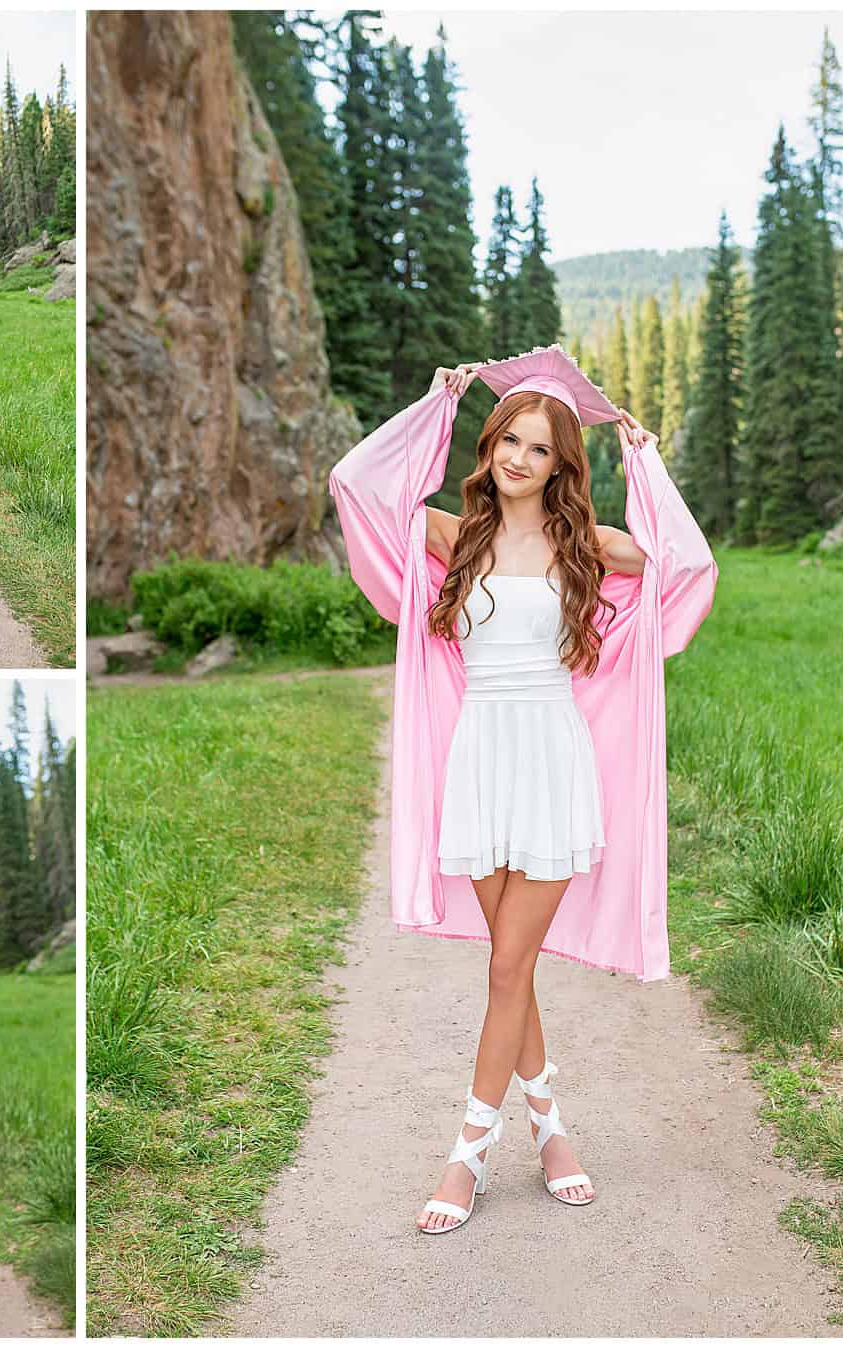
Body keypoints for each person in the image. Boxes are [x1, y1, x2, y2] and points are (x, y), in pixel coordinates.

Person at [328, 346, 717, 1235]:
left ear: (560, 465)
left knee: (507, 963)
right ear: (490, 442)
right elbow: (354, 483)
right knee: (514, 963)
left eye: (539, 449)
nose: (517, 458)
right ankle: (550, 1129)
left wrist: (644, 458)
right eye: (508, 439)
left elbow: (685, 568)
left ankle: (465, 1155)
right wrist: (437, 406)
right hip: (479, 759)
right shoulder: (448, 533)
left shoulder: (590, 547)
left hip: (551, 758)